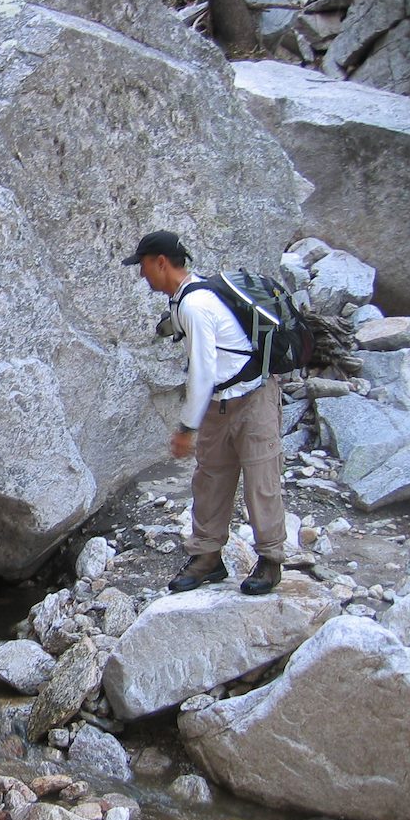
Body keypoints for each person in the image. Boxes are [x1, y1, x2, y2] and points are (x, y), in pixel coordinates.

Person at [123, 230, 284, 595]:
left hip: (253, 397)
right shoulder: (184, 301)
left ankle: (271, 561)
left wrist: (185, 427)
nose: (142, 274)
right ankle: (207, 558)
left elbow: (203, 372)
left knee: (261, 480)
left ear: (161, 262)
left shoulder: (195, 304)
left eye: (144, 266)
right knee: (210, 479)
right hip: (219, 403)